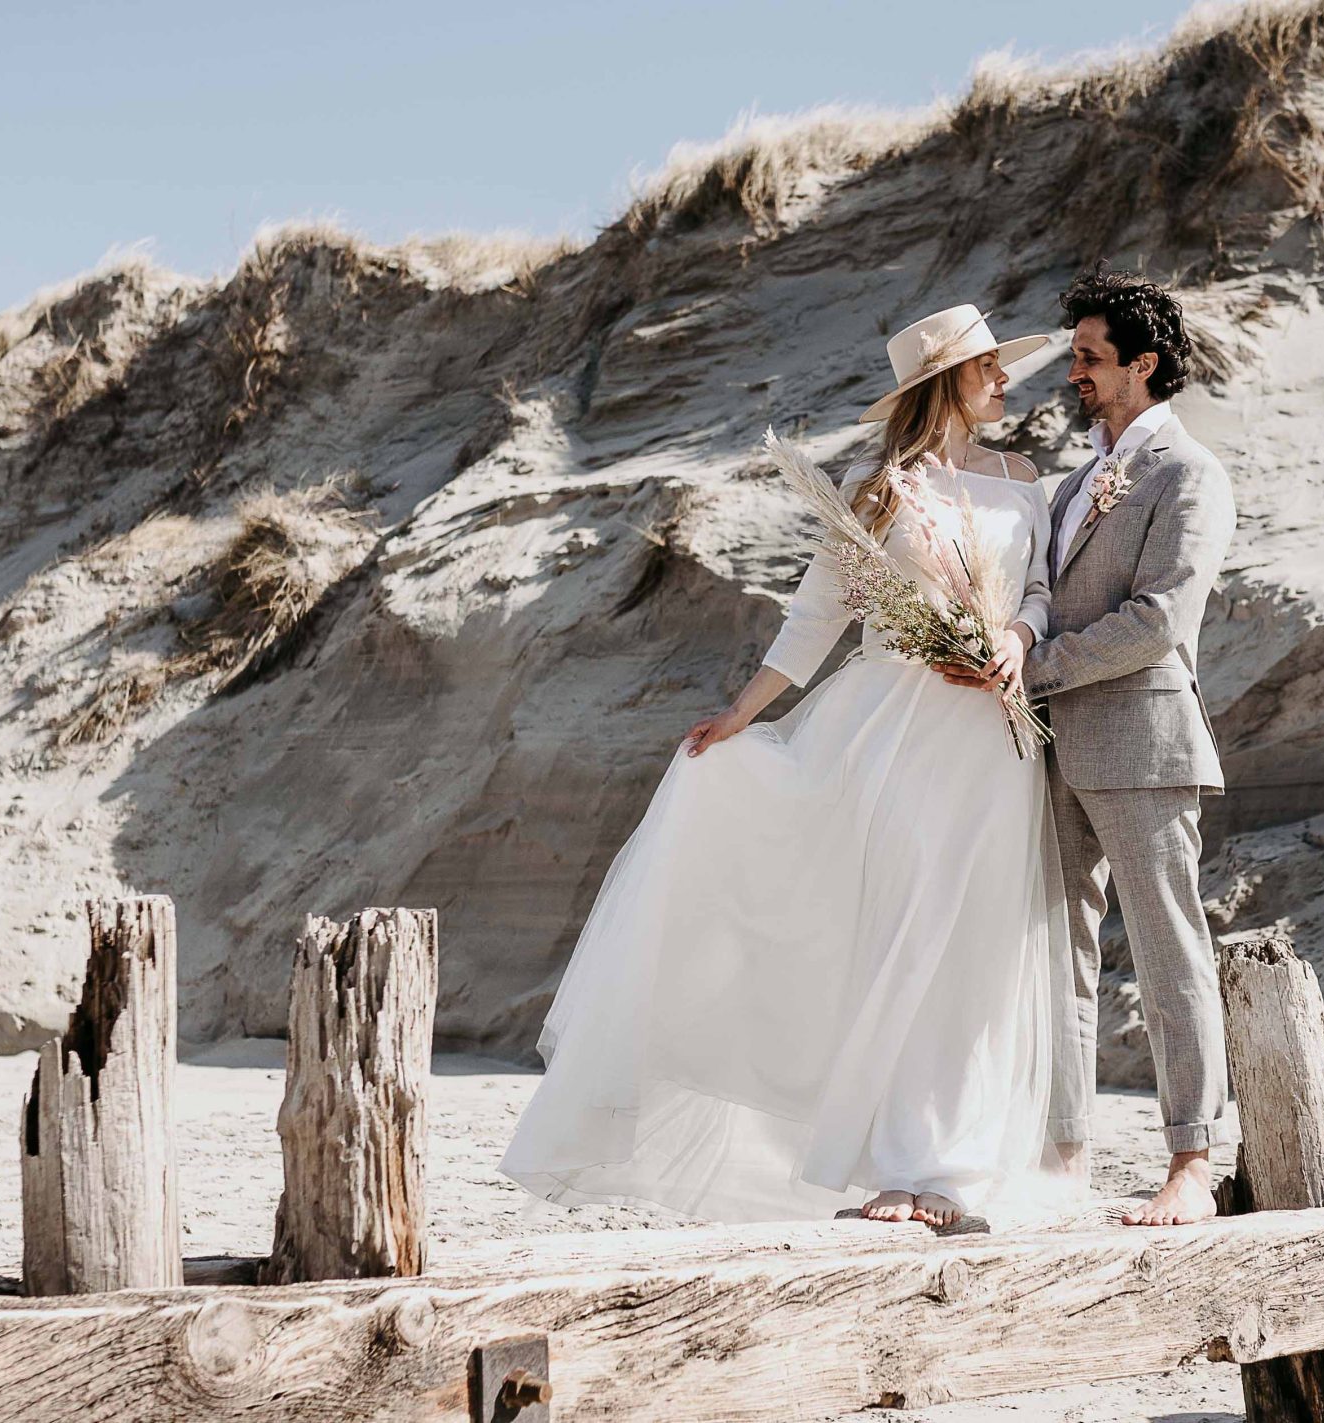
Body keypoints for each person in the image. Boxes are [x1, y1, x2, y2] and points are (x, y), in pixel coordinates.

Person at [501, 304, 1083, 1227]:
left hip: (991, 737)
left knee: (975, 945)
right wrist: (739, 714)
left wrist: (1014, 640)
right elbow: (816, 616)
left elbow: (1046, 592)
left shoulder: (1023, 477)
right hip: (896, 727)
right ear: (948, 383)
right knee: (902, 932)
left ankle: (956, 1166)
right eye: (988, 368)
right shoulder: (877, 485)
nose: (1006, 380)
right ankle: (898, 1165)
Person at [947, 270, 1239, 1226]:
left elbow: (1157, 621)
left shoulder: (1189, 474)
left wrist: (1035, 669)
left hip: (1146, 739)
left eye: (1088, 357)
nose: (1071, 370)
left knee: (1168, 951)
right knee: (1058, 957)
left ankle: (1192, 1164)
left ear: (1143, 366)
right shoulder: (1072, 483)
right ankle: (1063, 1157)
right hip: (1049, 748)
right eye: (1073, 354)